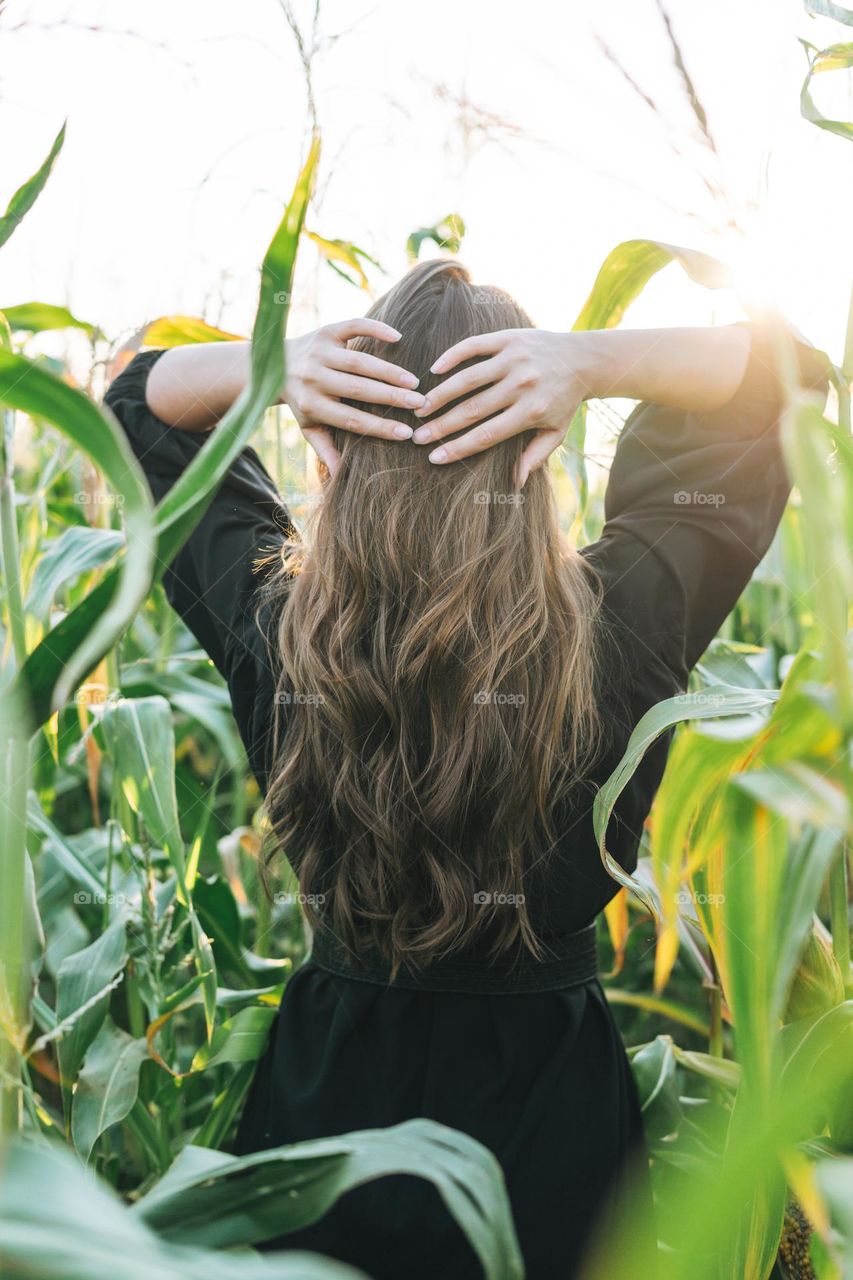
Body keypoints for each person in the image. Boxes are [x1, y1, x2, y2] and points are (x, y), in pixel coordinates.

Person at [104, 259, 828, 1279]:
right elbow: (786, 371)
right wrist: (585, 362)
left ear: (332, 451)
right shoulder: (621, 626)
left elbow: (136, 404)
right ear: (541, 448)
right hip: (552, 1129)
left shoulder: (282, 629)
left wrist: (281, 367)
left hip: (326, 1124)